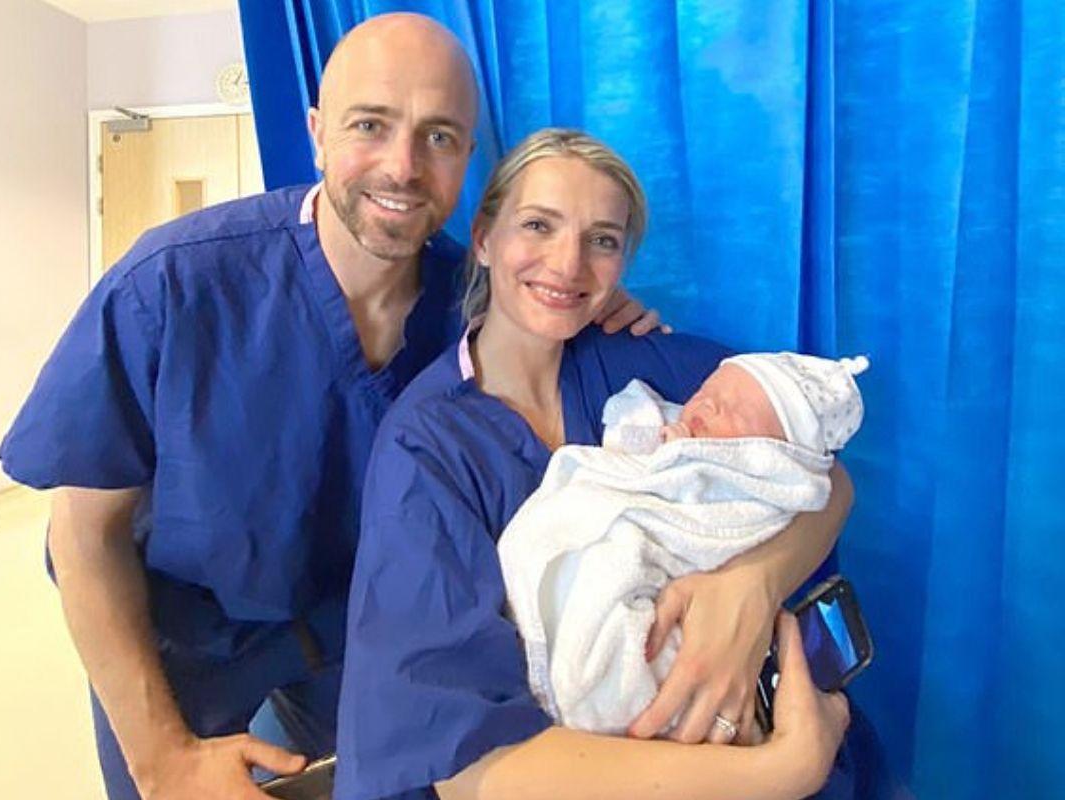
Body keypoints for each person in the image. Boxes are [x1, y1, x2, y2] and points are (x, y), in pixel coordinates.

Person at [0, 13, 659, 800]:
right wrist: (161, 757)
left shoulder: (481, 303)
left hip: (358, 643)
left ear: (468, 159)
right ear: (315, 134)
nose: (403, 167)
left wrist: (590, 304)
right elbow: (83, 534)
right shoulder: (172, 286)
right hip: (182, 646)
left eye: (439, 137)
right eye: (370, 125)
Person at [335, 128, 855, 800]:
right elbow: (467, 770)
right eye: (538, 225)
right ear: (485, 238)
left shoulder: (654, 365)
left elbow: (822, 477)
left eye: (602, 240)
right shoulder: (428, 448)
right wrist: (781, 773)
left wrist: (750, 586)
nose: (568, 263)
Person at [497, 353, 870, 735]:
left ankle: (606, 691)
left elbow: (832, 486)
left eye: (736, 411)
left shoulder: (750, 482)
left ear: (772, 458)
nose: (709, 404)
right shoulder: (459, 439)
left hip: (675, 639)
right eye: (706, 391)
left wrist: (756, 581)